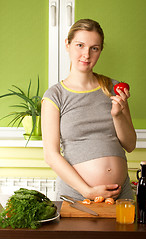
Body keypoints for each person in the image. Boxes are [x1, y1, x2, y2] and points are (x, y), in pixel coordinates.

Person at [41, 19, 136, 201]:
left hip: (120, 194)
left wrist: (117, 115)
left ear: (100, 51)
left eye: (94, 48)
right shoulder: (55, 95)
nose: (86, 54)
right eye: (80, 45)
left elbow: (130, 145)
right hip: (77, 196)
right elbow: (51, 155)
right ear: (67, 45)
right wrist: (87, 191)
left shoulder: (114, 88)